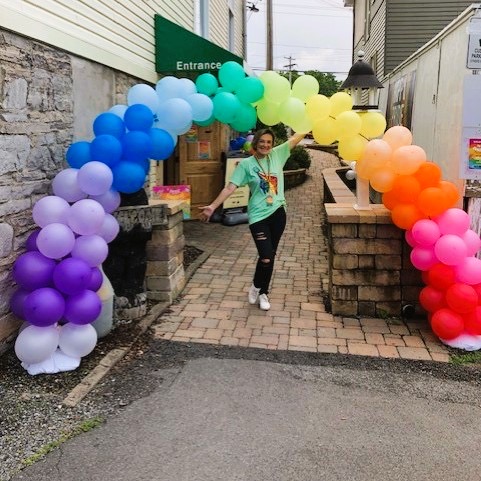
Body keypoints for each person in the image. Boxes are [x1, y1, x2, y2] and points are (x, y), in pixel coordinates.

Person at [199, 128, 305, 310]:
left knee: (270, 255)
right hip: (258, 216)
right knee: (265, 256)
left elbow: (296, 137)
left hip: (278, 213)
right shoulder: (246, 165)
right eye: (262, 141)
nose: (265, 145)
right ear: (256, 142)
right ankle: (257, 285)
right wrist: (212, 206)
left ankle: (262, 292)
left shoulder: (278, 155)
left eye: (269, 142)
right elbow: (230, 188)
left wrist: (311, 121)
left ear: (272, 145)